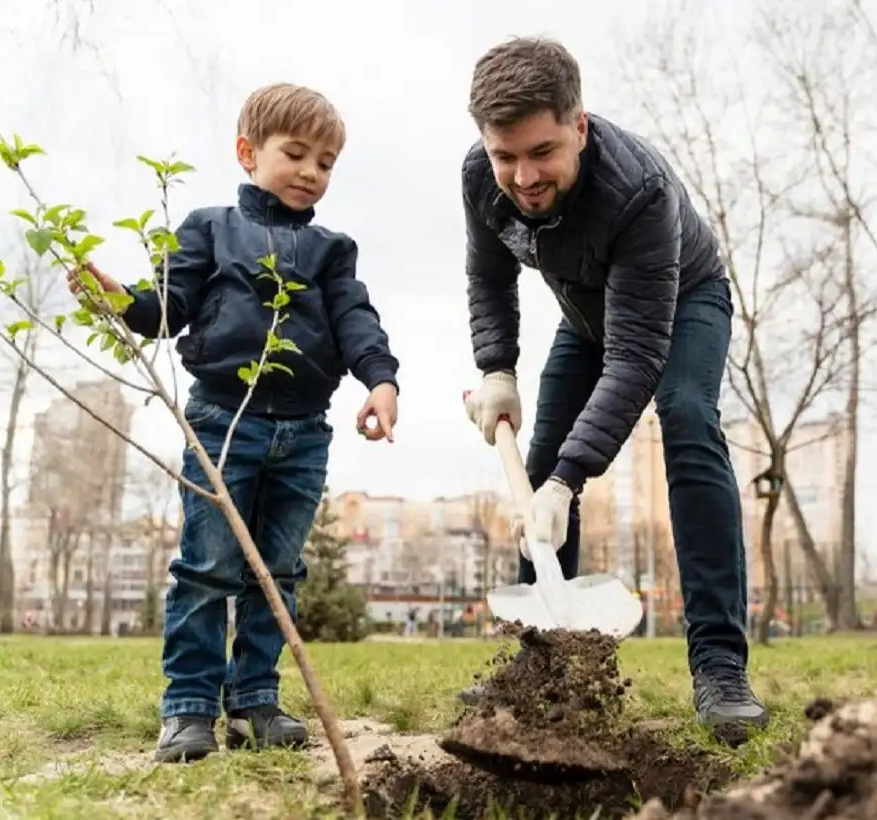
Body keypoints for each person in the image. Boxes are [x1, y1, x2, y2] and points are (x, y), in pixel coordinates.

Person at [69, 82, 400, 763]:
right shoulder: (209, 228)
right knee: (208, 566)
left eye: (327, 162)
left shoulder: (333, 251)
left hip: (304, 433)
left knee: (276, 571)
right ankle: (188, 709)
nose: (312, 172)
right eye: (297, 154)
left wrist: (381, 380)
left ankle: (255, 702)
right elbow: (166, 309)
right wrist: (119, 299)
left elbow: (356, 320)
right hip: (224, 421)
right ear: (249, 152)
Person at [458, 37, 768, 744]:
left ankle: (720, 666)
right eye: (506, 156)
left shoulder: (639, 190)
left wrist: (572, 481)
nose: (523, 176)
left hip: (683, 299)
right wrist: (497, 370)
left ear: (579, 126)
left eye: (542, 153)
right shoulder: (481, 176)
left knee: (687, 418)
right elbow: (488, 276)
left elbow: (635, 357)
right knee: (539, 462)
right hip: (585, 307)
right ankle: (541, 668)